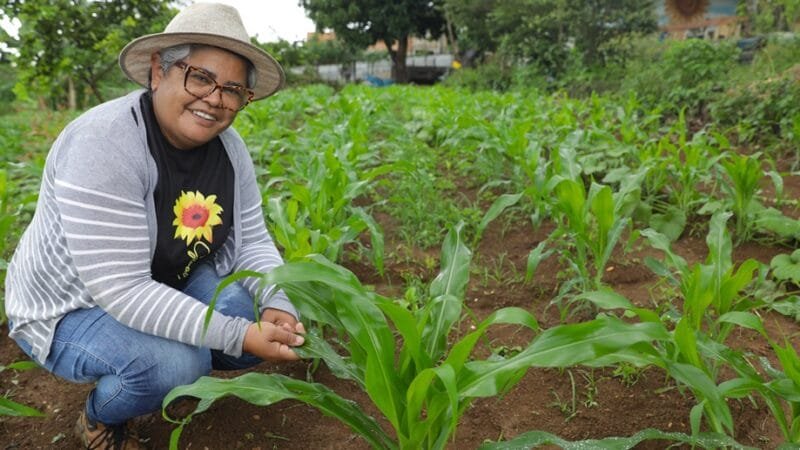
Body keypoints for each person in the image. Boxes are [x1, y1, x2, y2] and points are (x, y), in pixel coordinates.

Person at [4, 3, 305, 449]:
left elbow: (251, 238)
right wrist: (237, 335)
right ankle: (99, 416)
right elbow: (122, 289)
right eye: (200, 77)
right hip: (74, 304)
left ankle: (166, 373)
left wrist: (278, 301)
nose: (215, 98)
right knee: (177, 365)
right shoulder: (104, 143)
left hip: (164, 275)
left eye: (234, 89)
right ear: (158, 71)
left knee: (248, 315)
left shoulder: (229, 148)